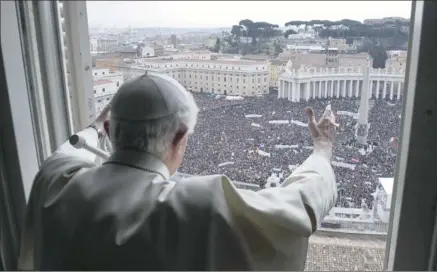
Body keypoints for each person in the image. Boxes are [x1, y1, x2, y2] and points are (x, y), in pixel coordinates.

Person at [18, 73, 337, 271]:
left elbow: (67, 150)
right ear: (181, 138)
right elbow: (300, 207)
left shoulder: (54, 182)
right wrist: (322, 150)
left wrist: (93, 128)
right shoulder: (200, 205)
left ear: (109, 130)